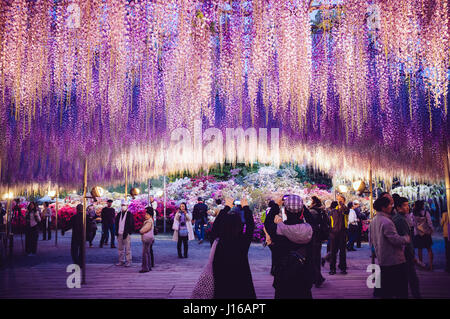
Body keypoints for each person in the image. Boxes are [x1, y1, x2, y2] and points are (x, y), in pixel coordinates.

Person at [212, 197, 256, 299]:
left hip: (222, 285)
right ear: (240, 226)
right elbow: (250, 226)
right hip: (241, 285)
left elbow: (215, 226)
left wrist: (226, 207)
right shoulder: (243, 242)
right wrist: (246, 208)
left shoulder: (218, 241)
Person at [272, 195, 314, 299]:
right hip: (303, 278)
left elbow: (268, 221)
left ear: (285, 211)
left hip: (283, 279)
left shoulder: (278, 229)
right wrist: (301, 206)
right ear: (302, 211)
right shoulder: (310, 230)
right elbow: (313, 221)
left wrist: (276, 204)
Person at [369, 196, 409, 299]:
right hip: (394, 260)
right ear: (383, 208)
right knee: (400, 290)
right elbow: (394, 239)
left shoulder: (374, 221)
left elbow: (371, 240)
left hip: (382, 258)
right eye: (390, 205)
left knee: (386, 290)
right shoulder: (386, 222)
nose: (392, 207)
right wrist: (406, 239)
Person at [393, 197, 421, 298]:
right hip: (405, 255)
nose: (408, 207)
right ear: (398, 207)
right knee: (411, 279)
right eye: (405, 205)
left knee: (407, 279)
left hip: (403, 254)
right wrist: (411, 254)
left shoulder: (401, 218)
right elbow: (406, 240)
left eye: (407, 205)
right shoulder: (400, 220)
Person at [308, 196, 326, 287]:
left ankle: (317, 278)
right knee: (316, 258)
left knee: (313, 258)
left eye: (311, 201)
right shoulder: (320, 211)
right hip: (318, 237)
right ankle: (318, 277)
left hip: (313, 237)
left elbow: (311, 224)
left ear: (314, 202)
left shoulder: (312, 212)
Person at [328, 195, 349, 275]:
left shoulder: (345, 210)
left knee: (342, 252)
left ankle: (343, 268)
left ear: (344, 201)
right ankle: (332, 269)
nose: (339, 201)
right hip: (334, 234)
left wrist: (342, 205)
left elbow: (346, 211)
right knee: (333, 252)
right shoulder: (333, 210)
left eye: (341, 200)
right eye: (338, 199)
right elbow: (329, 221)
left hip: (343, 233)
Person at [412, 200, 434, 271]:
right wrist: (431, 230)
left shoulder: (413, 214)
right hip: (426, 233)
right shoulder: (426, 213)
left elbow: (413, 224)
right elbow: (430, 222)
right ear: (422, 205)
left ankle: (421, 264)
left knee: (419, 249)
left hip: (418, 234)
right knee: (429, 249)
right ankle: (431, 265)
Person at [263, 200, 282, 276]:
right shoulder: (276, 216)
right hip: (274, 235)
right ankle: (275, 269)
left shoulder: (266, 212)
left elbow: (265, 223)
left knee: (274, 254)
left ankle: (273, 269)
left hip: (270, 234)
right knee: (276, 254)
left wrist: (267, 236)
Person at [139, 207, 155, 273]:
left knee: (145, 253)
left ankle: (145, 268)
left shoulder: (149, 221)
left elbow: (143, 230)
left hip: (147, 239)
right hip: (149, 238)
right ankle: (149, 266)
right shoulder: (150, 220)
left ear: (150, 215)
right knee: (148, 253)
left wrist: (140, 231)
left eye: (147, 214)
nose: (145, 215)